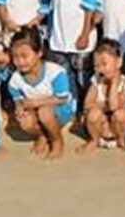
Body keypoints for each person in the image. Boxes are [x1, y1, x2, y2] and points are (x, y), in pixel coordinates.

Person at [8, 28, 75, 159]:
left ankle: (57, 141)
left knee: (44, 112)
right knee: (25, 121)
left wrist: (36, 103)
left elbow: (62, 98)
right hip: (36, 109)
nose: (20, 61)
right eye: (15, 57)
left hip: (60, 109)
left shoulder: (55, 72)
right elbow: (18, 99)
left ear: (39, 53)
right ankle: (42, 135)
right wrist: (19, 108)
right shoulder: (15, 79)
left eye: (24, 56)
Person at [81, 39, 125, 153]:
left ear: (118, 63)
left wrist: (113, 83)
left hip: (115, 128)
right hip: (101, 127)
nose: (100, 69)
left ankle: (121, 140)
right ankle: (94, 139)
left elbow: (114, 106)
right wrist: (102, 108)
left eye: (104, 64)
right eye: (97, 66)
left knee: (121, 114)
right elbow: (87, 104)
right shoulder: (97, 81)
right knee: (93, 114)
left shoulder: (124, 83)